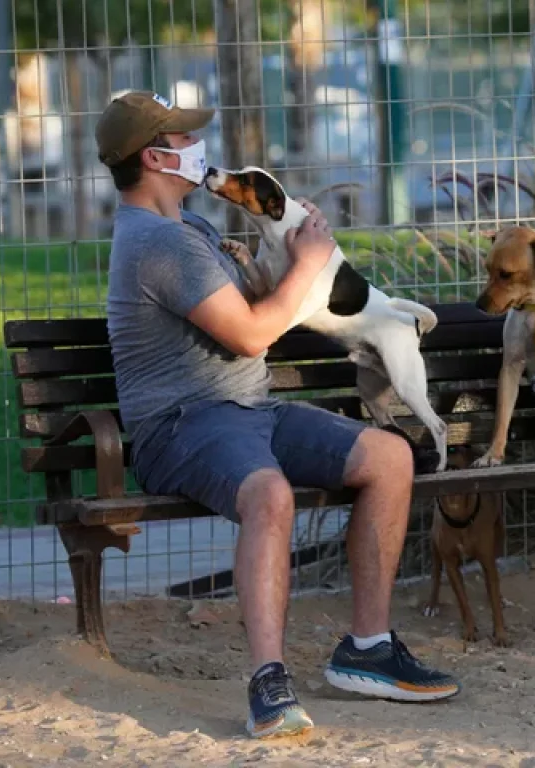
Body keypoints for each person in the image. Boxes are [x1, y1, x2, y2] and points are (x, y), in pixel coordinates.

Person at [94, 91, 459, 739]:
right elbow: (252, 336)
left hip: (248, 409)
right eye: (183, 141)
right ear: (154, 156)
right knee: (270, 495)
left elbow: (262, 306)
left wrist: (293, 249)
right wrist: (312, 264)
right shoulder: (158, 243)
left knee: (390, 456)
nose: (197, 151)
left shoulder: (190, 229)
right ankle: (269, 680)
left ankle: (368, 649)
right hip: (182, 424)